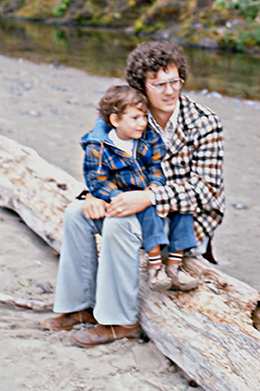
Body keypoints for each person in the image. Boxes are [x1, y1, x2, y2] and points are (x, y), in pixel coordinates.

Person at [41, 41, 225, 349]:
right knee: (77, 212)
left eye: (175, 82)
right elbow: (99, 157)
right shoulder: (128, 112)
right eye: (159, 84)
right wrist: (94, 194)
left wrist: (150, 198)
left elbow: (207, 192)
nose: (169, 91)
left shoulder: (204, 122)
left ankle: (120, 322)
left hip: (185, 220)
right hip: (134, 204)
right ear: (142, 86)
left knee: (119, 223)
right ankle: (80, 305)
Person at [82, 84, 198, 291]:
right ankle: (155, 267)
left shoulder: (149, 137)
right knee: (147, 208)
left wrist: (155, 186)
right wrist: (119, 196)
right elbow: (97, 180)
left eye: (144, 116)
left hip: (150, 193)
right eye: (135, 118)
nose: (142, 123)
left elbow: (156, 165)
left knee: (183, 208)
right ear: (115, 120)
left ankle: (175, 265)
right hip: (126, 200)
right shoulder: (98, 146)